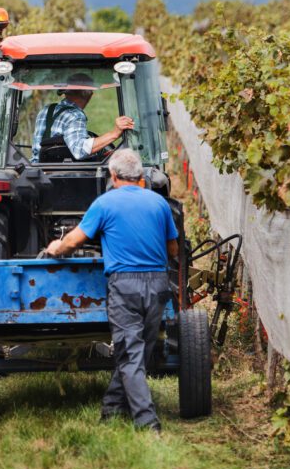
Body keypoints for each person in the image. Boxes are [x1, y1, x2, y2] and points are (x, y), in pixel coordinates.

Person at [45, 149, 179, 432]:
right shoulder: (159, 204)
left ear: (113, 176)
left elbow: (72, 242)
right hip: (157, 283)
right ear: (141, 175)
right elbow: (173, 249)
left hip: (125, 285)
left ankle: (147, 423)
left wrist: (55, 247)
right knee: (138, 350)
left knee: (131, 353)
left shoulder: (104, 204)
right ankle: (111, 410)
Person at [31, 72, 134, 162]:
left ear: (65, 91)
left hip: (36, 171)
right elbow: (79, 151)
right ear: (88, 94)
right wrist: (114, 134)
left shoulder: (46, 110)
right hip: (61, 176)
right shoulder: (75, 115)